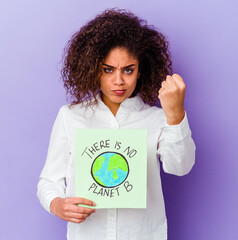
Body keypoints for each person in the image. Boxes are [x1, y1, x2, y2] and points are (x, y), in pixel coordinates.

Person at [37, 8, 196, 240]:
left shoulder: (157, 118)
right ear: (93, 69)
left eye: (128, 70)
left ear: (140, 70)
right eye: (108, 70)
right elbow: (49, 181)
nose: (118, 81)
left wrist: (176, 115)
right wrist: (56, 203)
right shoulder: (70, 117)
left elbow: (180, 167)